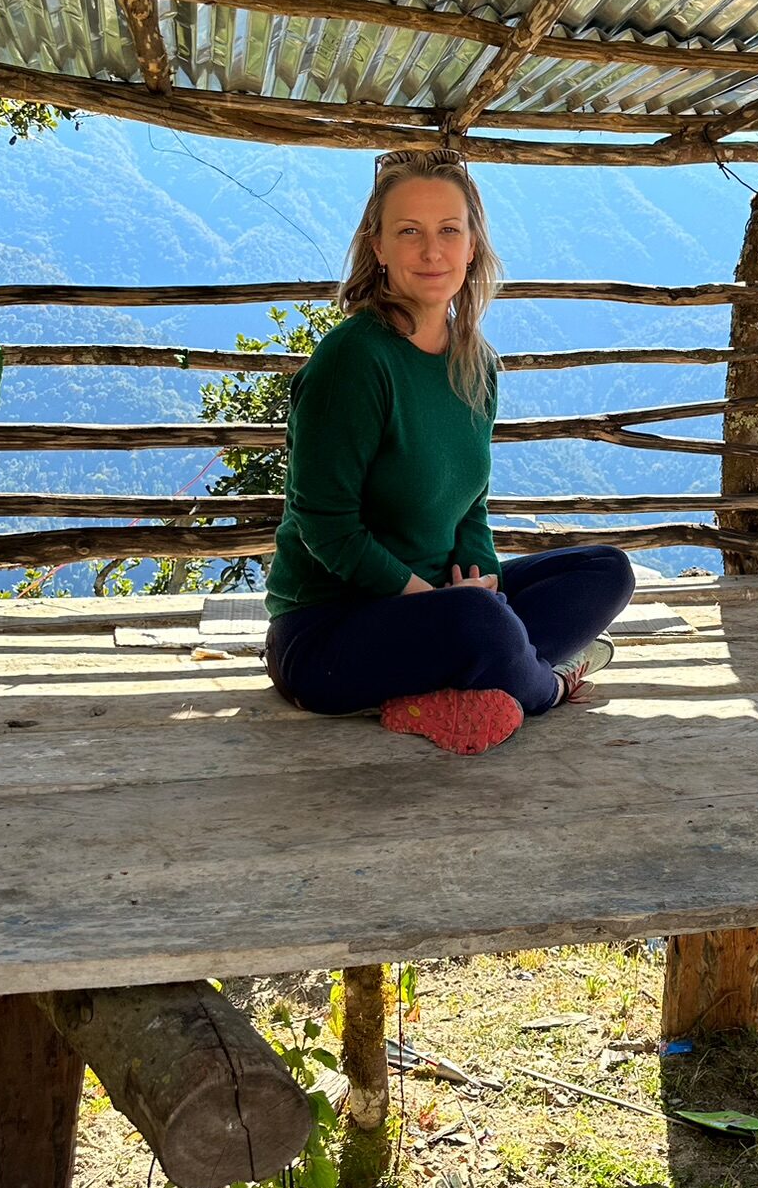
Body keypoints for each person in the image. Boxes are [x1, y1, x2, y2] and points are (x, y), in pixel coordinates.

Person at [263, 148, 636, 755]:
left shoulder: (477, 364)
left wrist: (480, 577)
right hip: (327, 635)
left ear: (471, 247)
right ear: (378, 247)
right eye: (408, 231)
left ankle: (472, 675)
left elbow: (470, 505)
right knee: (479, 625)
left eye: (448, 231)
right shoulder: (355, 360)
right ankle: (543, 686)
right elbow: (323, 525)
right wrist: (436, 602)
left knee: (605, 571)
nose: (431, 251)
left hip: (446, 608)